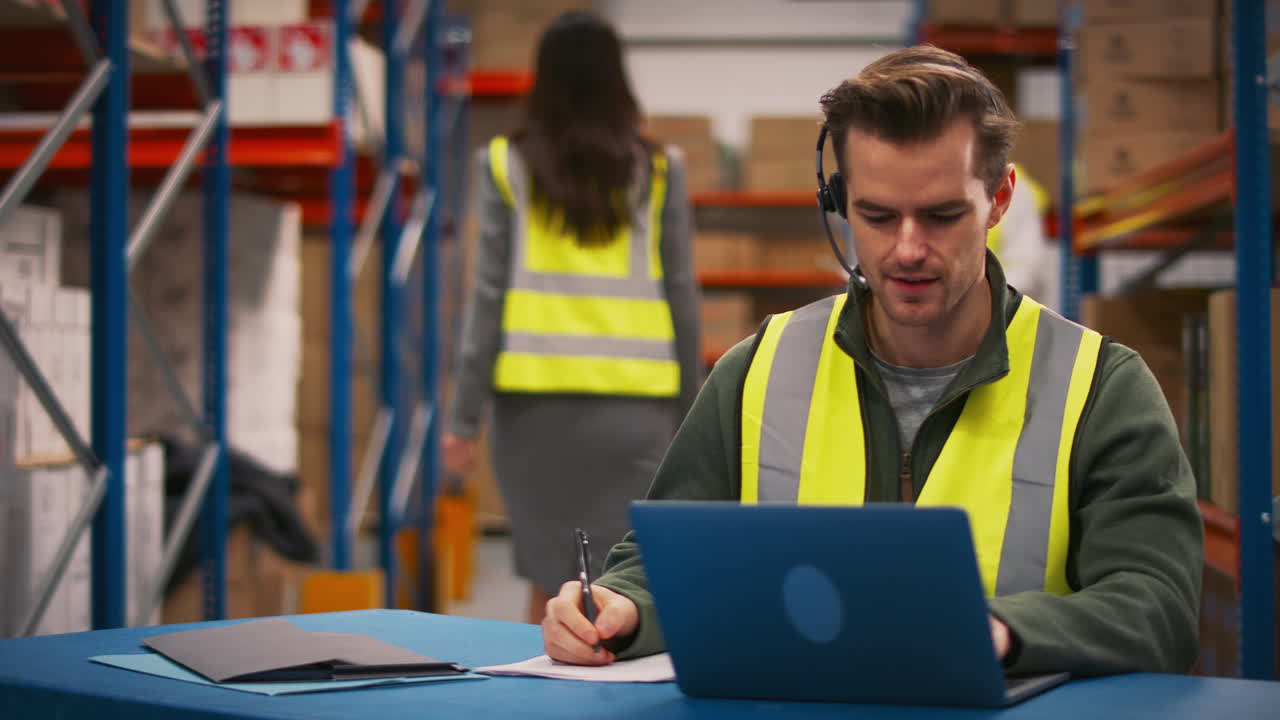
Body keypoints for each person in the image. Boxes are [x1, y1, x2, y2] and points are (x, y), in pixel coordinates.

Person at [541, 45, 1203, 677]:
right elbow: (662, 563)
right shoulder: (757, 371)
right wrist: (620, 609)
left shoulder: (1100, 389)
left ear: (999, 199)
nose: (908, 249)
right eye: (878, 216)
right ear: (838, 204)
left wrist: (1003, 632)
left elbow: (1159, 607)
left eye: (942, 216)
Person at [442, 11, 701, 625]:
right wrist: (694, 420)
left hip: (534, 415)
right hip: (635, 414)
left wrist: (461, 421)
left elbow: (487, 298)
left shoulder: (505, 165)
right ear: (618, 80)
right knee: (625, 582)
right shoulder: (660, 169)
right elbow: (683, 298)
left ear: (545, 80)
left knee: (547, 579)